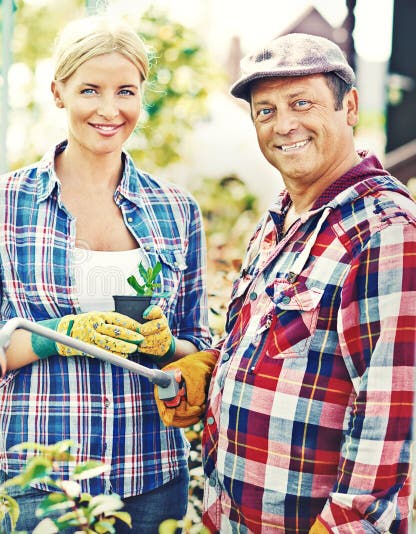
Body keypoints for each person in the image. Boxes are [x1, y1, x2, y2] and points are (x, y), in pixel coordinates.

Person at [0, 15, 211, 533]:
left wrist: (168, 346)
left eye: (126, 91)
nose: (109, 110)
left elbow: (200, 346)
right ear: (58, 92)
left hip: (154, 479)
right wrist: (53, 339)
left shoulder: (176, 209)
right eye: (90, 90)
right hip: (41, 485)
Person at [156, 33, 415, 533]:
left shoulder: (385, 231)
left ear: (350, 107)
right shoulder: (280, 219)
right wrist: (209, 371)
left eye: (302, 103)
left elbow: (391, 419)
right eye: (266, 111)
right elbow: (279, 348)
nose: (284, 125)